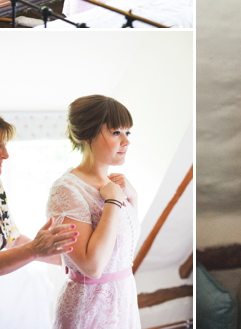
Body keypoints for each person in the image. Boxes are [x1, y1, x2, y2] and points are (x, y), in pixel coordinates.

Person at [47, 95, 141, 329]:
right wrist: (113, 203)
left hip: (124, 302)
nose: (126, 142)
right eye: (116, 132)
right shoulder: (66, 189)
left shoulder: (116, 186)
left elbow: (124, 250)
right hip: (90, 309)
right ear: (88, 135)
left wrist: (132, 197)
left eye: (128, 133)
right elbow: (92, 266)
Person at [0, 113, 77, 276]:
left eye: (5, 145)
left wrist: (68, 261)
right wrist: (34, 249)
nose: (6, 154)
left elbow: (13, 239)